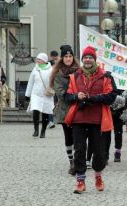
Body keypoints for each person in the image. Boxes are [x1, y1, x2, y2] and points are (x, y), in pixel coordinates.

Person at [64, 46, 117, 194]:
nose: (87, 60)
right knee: (79, 150)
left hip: (98, 120)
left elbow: (111, 96)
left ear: (95, 60)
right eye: (85, 57)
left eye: (90, 57)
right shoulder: (74, 76)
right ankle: (80, 181)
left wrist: (93, 98)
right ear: (82, 60)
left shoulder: (106, 76)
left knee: (99, 153)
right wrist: (76, 96)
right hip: (79, 120)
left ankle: (98, 176)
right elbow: (66, 97)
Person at [50, 45, 79, 175]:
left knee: (79, 136)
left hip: (79, 108)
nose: (68, 58)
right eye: (66, 56)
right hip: (65, 109)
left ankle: (80, 160)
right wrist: (72, 96)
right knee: (69, 136)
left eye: (70, 56)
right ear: (62, 58)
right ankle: (71, 161)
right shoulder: (58, 73)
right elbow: (60, 92)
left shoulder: (79, 71)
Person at [25, 53, 54, 138]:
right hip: (36, 94)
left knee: (45, 113)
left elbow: (53, 82)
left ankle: (43, 131)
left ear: (44, 60)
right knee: (35, 111)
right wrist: (27, 94)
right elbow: (31, 82)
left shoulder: (51, 70)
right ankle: (36, 129)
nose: (37, 61)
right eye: (37, 59)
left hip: (46, 94)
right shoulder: (35, 69)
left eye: (39, 59)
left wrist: (53, 90)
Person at [48, 50, 59, 129]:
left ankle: (54, 120)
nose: (55, 59)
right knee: (50, 104)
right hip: (52, 86)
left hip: (58, 86)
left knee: (57, 104)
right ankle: (51, 121)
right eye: (54, 58)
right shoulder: (48, 64)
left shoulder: (61, 64)